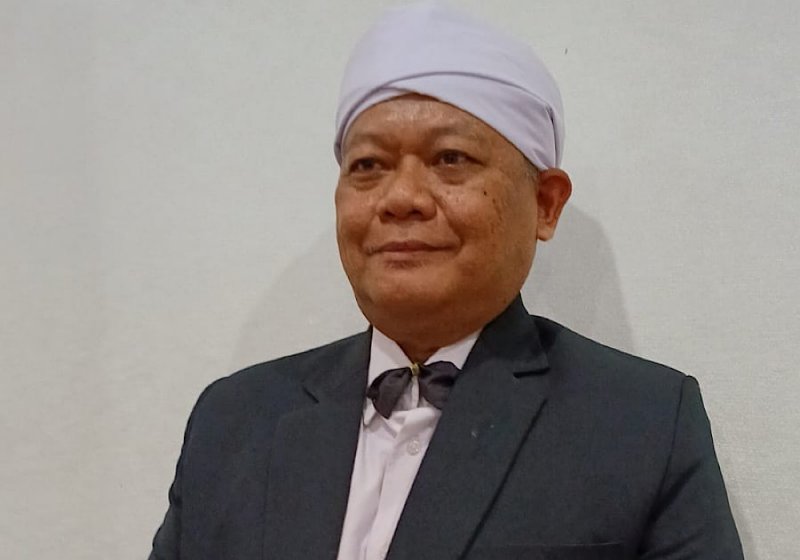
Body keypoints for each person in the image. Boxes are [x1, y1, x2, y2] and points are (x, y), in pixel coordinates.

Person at [149, 3, 744, 559]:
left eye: (450, 159)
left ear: (545, 204)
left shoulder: (641, 424)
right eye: (368, 165)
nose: (401, 197)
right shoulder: (235, 419)